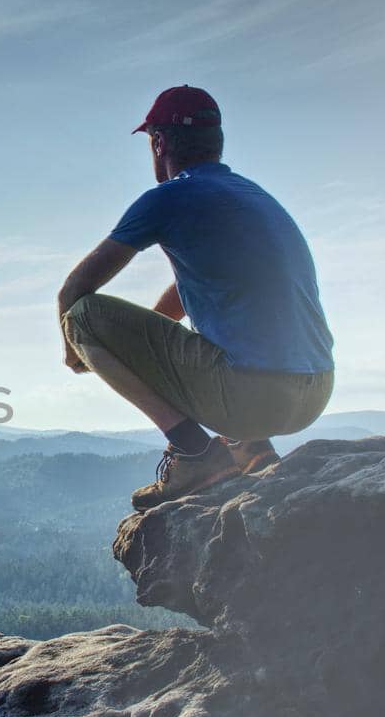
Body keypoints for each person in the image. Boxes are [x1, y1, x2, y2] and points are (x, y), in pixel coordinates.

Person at [58, 86, 334, 510]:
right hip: (316, 391)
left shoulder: (167, 199)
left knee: (82, 317)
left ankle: (195, 454)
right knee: (232, 333)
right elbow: (192, 293)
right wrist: (142, 347)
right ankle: (251, 448)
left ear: (158, 143)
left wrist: (76, 351)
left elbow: (73, 291)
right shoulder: (253, 195)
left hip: (252, 397)